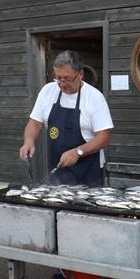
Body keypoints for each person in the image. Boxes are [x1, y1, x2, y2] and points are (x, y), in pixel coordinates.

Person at [19, 50, 113, 187]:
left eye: (67, 79)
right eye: (58, 78)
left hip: (88, 171)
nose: (62, 84)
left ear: (80, 74)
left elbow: (104, 137)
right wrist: (29, 140)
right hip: (58, 169)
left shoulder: (94, 98)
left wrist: (78, 152)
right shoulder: (47, 91)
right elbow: (35, 123)